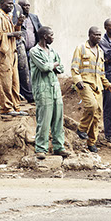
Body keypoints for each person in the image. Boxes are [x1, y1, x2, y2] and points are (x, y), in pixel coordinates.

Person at [71, 26, 111, 153]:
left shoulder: (100, 51)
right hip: (84, 83)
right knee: (91, 106)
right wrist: (77, 80)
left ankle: (91, 142)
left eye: (100, 35)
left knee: (97, 115)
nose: (98, 37)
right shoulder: (81, 48)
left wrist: (108, 85)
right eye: (96, 35)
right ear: (90, 35)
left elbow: (101, 73)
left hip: (98, 86)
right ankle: (81, 129)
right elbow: (74, 67)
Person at [30, 26, 70, 160]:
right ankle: (41, 148)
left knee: (58, 118)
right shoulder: (34, 51)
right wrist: (53, 65)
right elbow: (44, 67)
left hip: (55, 88)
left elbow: (61, 68)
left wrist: (52, 65)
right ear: (45, 36)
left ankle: (59, 147)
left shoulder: (53, 51)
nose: (53, 37)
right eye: (51, 35)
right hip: (42, 89)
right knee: (44, 120)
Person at [0, 0, 28, 116]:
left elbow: (13, 33)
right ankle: (6, 108)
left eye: (12, 3)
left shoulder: (8, 17)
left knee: (14, 82)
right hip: (3, 55)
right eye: (8, 4)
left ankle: (16, 106)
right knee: (5, 82)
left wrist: (18, 24)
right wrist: (11, 34)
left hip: (12, 55)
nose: (11, 6)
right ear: (1, 4)